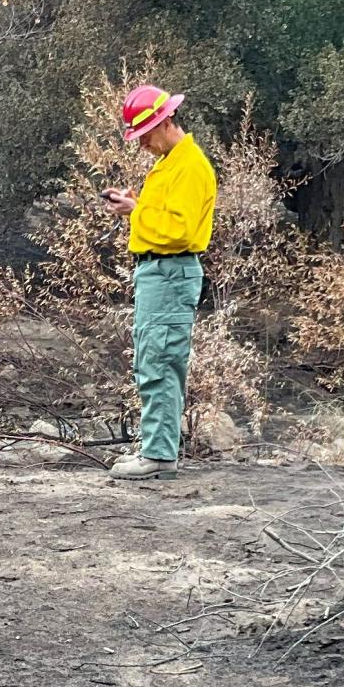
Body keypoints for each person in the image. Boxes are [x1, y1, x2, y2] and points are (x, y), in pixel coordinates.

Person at [103, 84, 217, 480]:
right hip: (160, 273)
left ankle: (158, 454)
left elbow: (180, 232)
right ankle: (156, 449)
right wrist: (137, 207)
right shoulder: (172, 163)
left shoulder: (189, 166)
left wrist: (137, 212)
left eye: (145, 134)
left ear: (166, 121)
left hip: (170, 271)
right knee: (153, 358)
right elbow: (167, 217)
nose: (142, 144)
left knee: (160, 361)